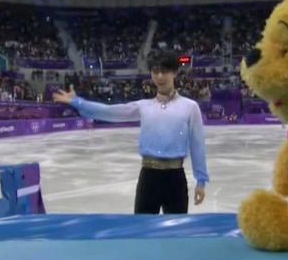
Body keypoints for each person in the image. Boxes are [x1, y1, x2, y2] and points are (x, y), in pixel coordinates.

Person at [53, 49, 209, 214]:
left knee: (175, 233)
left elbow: (197, 145)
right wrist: (77, 102)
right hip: (148, 177)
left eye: (165, 71)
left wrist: (201, 181)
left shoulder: (190, 107)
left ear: (175, 72)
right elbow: (110, 111)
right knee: (142, 231)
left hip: (175, 178)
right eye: (156, 71)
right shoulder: (144, 106)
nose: (160, 77)